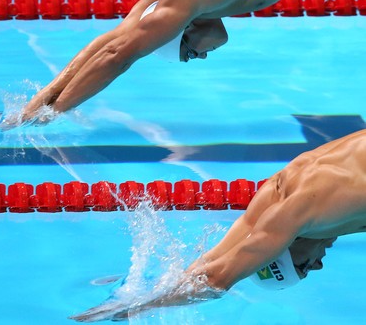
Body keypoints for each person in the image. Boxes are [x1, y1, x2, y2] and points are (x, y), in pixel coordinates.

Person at [12, 0, 366, 126]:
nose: (202, 55)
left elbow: (118, 55)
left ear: (182, 28)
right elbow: (120, 34)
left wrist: (53, 114)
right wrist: (39, 101)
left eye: (191, 52)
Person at [70, 129, 366, 322]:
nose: (317, 267)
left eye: (302, 268)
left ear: (280, 250)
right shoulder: (279, 190)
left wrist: (131, 308)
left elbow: (216, 277)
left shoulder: (298, 211)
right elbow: (215, 261)